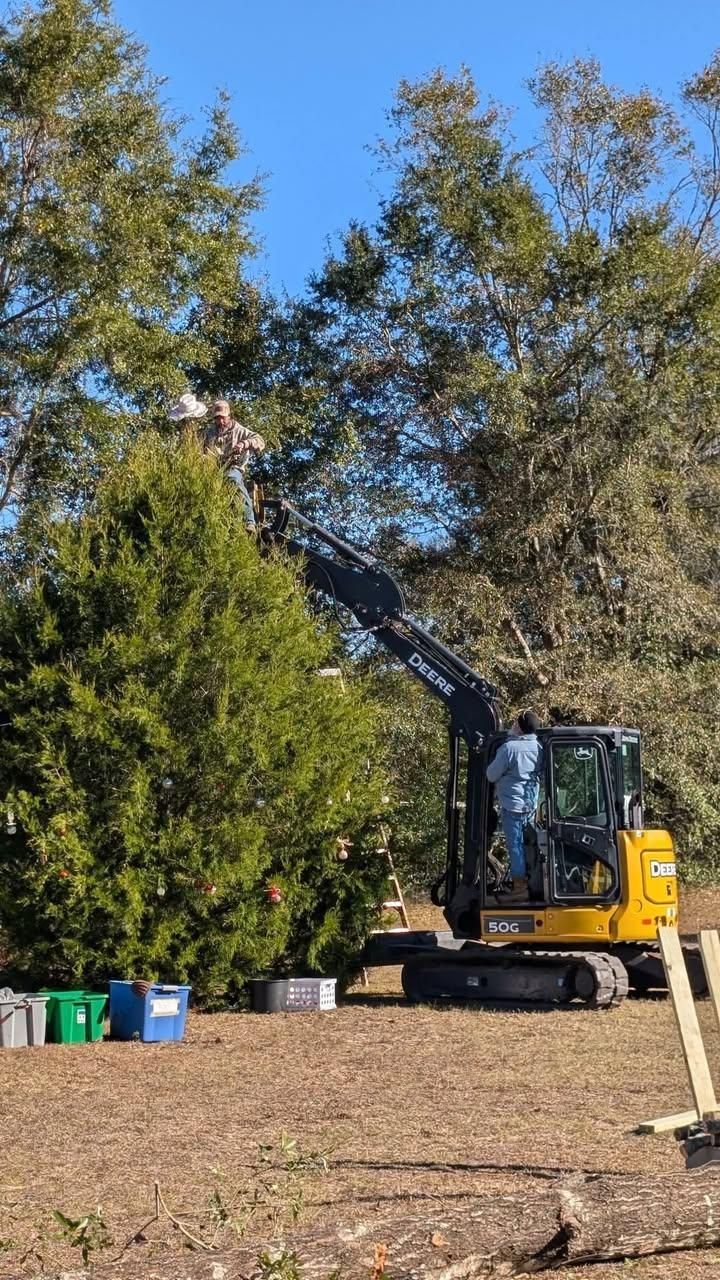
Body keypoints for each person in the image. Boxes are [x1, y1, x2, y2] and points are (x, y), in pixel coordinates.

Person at [486, 709, 543, 902]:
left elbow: (491, 775)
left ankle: (520, 887)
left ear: (519, 727)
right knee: (528, 844)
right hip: (531, 805)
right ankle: (528, 879)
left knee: (515, 846)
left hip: (512, 806)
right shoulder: (539, 748)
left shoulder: (508, 749)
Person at [204, 399, 265, 531]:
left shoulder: (240, 430)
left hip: (232, 467)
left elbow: (259, 440)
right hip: (212, 470)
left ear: (229, 416)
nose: (220, 421)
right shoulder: (209, 432)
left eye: (223, 418)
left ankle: (249, 521)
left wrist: (244, 444)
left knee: (233, 479)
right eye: (217, 418)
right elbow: (199, 448)